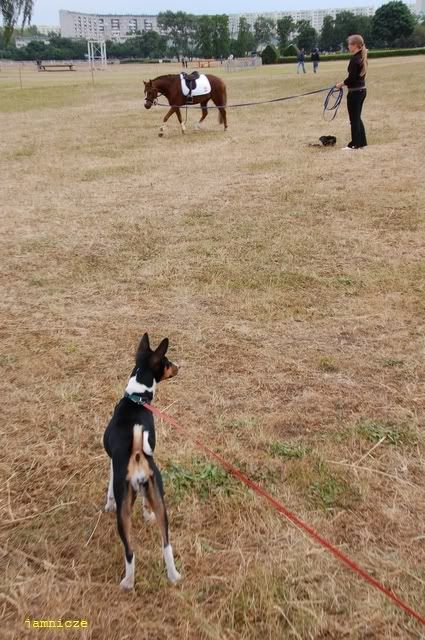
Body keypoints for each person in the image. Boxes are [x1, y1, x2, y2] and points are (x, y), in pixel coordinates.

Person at [336, 34, 368, 150]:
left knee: (354, 119)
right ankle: (362, 143)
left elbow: (352, 78)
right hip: (361, 91)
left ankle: (355, 144)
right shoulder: (361, 57)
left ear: (355, 45)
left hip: (355, 93)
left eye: (349, 44)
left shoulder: (355, 59)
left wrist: (341, 84)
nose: (348, 46)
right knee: (357, 118)